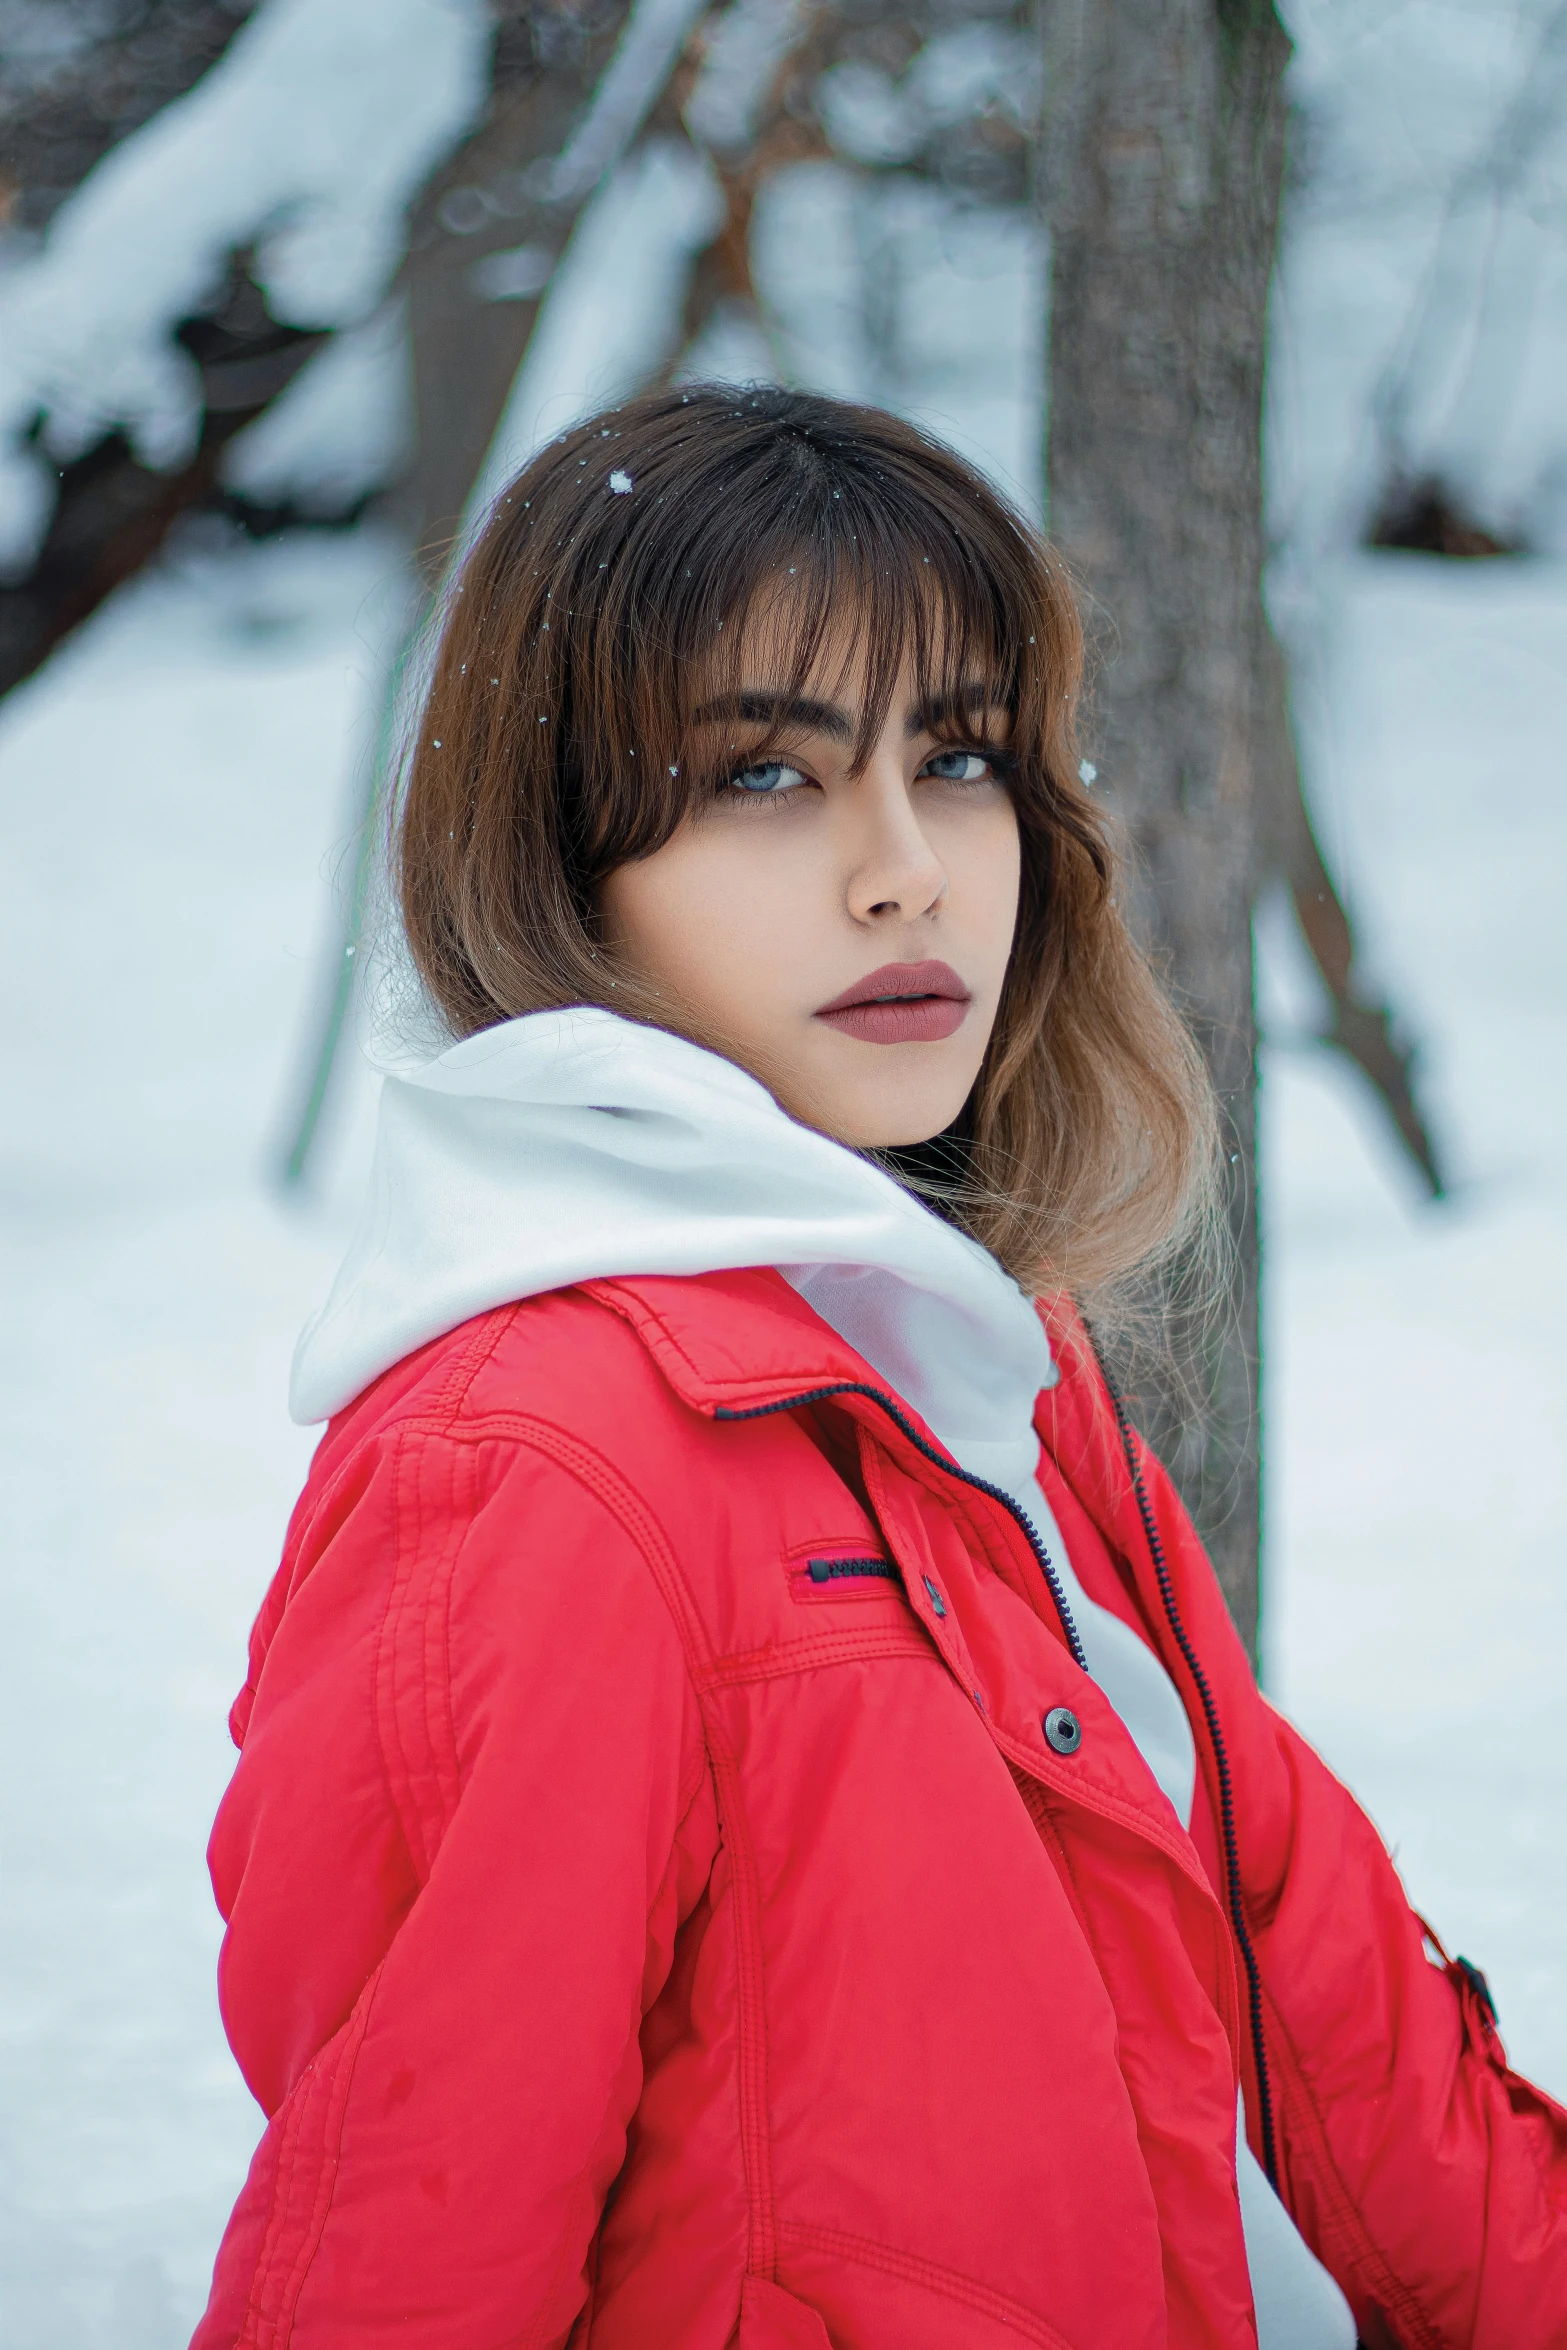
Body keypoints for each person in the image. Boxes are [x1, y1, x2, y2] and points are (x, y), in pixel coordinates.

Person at [192, 388, 1566, 2350]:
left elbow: (1326, 2018)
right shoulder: (534, 1462)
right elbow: (412, 2237)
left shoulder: (980, 1351)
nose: (909, 869)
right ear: (563, 856)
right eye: (768, 773)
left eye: (966, 755)